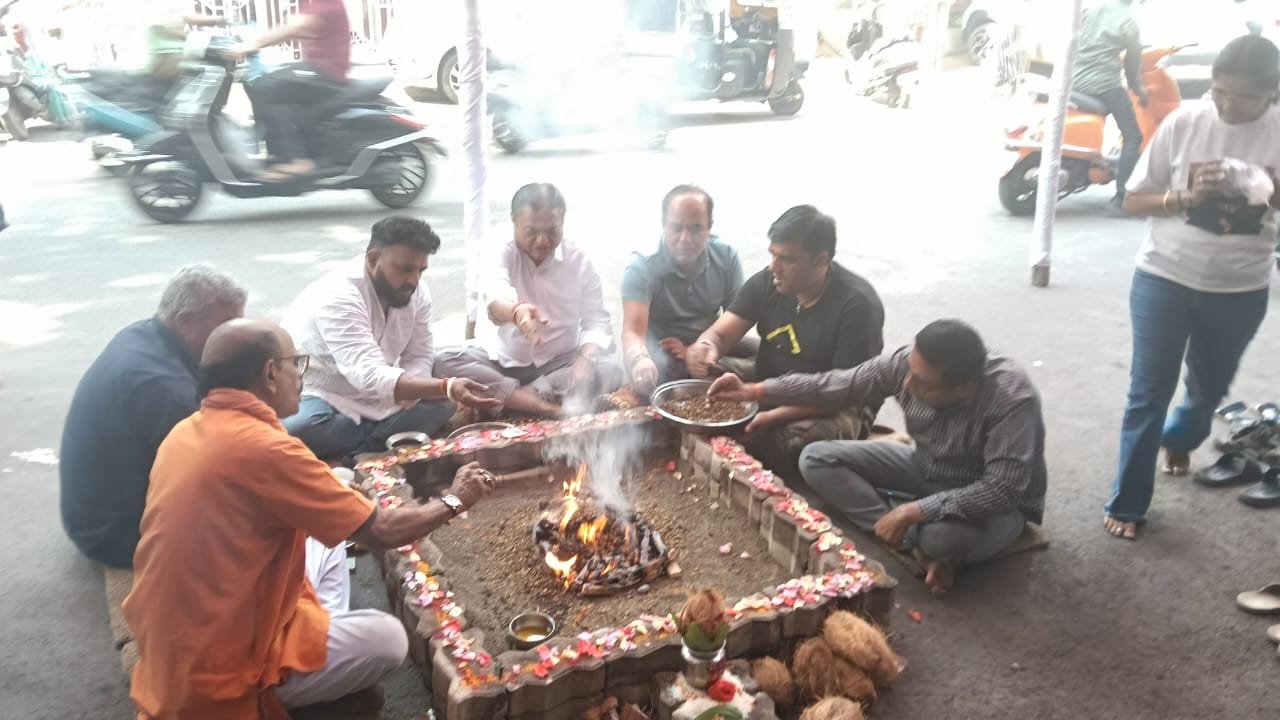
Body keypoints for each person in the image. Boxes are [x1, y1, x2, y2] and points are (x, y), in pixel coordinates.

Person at [124, 318, 499, 718]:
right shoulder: (267, 449)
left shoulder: (186, 431)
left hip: (175, 640)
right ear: (270, 374)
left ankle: (322, 644)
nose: (301, 376)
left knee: (335, 494)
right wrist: (456, 500)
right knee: (388, 640)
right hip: (221, 664)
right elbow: (382, 531)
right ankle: (310, 674)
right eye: (296, 363)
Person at [709, 320, 1047, 596]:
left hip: (992, 498)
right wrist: (756, 390)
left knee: (940, 539)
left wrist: (913, 511)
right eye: (909, 370)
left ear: (963, 388)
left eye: (922, 383)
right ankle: (911, 540)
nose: (907, 383)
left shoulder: (1010, 399)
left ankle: (922, 539)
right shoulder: (907, 365)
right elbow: (838, 384)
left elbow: (1003, 490)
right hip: (925, 464)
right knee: (816, 458)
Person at [1106, 35, 1280, 540]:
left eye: (1244, 98)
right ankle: (1128, 502)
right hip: (1164, 275)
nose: (1227, 106)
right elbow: (1132, 200)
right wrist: (1186, 195)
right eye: (1219, 92)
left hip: (1241, 287)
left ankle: (1182, 435)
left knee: (1208, 390)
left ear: (1272, 92)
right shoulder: (1185, 122)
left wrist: (1270, 191)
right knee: (1148, 392)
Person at [59, 264, 246, 568]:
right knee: (265, 525)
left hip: (94, 516)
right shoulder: (161, 388)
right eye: (226, 324)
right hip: (115, 534)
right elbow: (220, 471)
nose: (234, 335)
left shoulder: (144, 334)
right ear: (185, 322)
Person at [684, 204, 884, 471]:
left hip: (836, 403)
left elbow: (842, 393)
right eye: (773, 254)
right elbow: (720, 333)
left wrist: (771, 416)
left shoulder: (857, 307)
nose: (774, 267)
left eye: (787, 259)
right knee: (693, 380)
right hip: (768, 379)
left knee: (787, 443)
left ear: (821, 260)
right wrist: (705, 347)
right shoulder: (769, 281)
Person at [282, 216, 498, 460]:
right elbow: (367, 375)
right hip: (323, 396)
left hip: (380, 393)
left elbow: (419, 354)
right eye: (406, 269)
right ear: (374, 259)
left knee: (442, 405)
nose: (414, 280)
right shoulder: (338, 295)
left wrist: (414, 393)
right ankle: (375, 443)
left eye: (420, 270)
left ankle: (358, 448)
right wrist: (445, 387)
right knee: (302, 426)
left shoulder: (416, 292)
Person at [436, 183, 622, 417]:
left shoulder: (580, 259)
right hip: (501, 362)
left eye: (552, 230)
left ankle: (517, 396)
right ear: (514, 222)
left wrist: (586, 359)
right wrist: (516, 314)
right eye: (531, 231)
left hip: (558, 362)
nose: (542, 240)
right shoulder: (498, 248)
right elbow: (495, 298)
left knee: (610, 370)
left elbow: (596, 320)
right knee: (442, 362)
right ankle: (543, 405)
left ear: (563, 222)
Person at [621, 184, 751, 395]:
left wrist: (698, 349)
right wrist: (639, 358)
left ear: (709, 227)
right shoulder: (642, 265)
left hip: (712, 344)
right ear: (663, 225)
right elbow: (633, 332)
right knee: (665, 377)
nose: (685, 239)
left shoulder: (726, 257)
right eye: (676, 228)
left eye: (696, 228)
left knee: (770, 355)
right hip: (661, 350)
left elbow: (737, 322)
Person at [231, 0, 351, 179]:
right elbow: (295, 24)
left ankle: (297, 160)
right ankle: (279, 155)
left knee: (266, 86)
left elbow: (296, 27)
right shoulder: (314, 4)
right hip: (318, 67)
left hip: (326, 71)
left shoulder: (326, 3)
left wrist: (253, 44)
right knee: (269, 83)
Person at [1072, 0, 1149, 211]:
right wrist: (1140, 90)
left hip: (1074, 82)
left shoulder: (1090, 9)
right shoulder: (1128, 22)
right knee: (1133, 136)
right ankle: (1122, 198)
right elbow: (1132, 68)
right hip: (1105, 86)